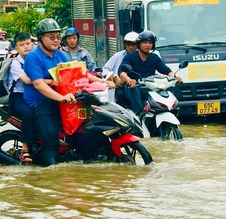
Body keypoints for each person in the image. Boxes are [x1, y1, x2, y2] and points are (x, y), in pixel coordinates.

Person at [24, 18, 112, 166]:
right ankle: (51, 171)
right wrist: (62, 98)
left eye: (58, 37)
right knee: (51, 137)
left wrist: (102, 82)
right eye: (51, 37)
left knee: (86, 129)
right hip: (41, 102)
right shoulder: (33, 57)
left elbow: (79, 74)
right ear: (40, 38)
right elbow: (39, 84)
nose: (56, 40)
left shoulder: (60, 55)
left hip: (65, 99)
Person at [8, 32, 52, 163]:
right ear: (16, 48)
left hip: (36, 94)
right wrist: (51, 82)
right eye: (22, 45)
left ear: (33, 44)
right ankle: (25, 149)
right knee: (28, 113)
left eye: (28, 44)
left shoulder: (37, 58)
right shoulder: (15, 63)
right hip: (18, 97)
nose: (26, 47)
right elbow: (27, 81)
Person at [118, 30, 183, 115]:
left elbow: (167, 71)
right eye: (145, 42)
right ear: (139, 44)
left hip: (150, 87)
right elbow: (122, 72)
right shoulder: (130, 56)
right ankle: (140, 114)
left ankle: (171, 111)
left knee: (170, 86)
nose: (147, 45)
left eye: (150, 43)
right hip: (134, 87)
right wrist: (129, 80)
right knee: (132, 88)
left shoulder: (154, 58)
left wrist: (175, 77)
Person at [102, 31, 139, 103]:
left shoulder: (142, 56)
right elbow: (106, 68)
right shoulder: (118, 56)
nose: (131, 47)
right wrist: (111, 78)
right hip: (121, 87)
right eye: (128, 44)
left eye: (133, 44)